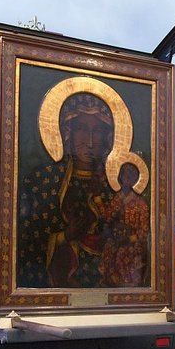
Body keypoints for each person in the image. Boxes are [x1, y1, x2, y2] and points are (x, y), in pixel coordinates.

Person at [18, 92, 115, 288]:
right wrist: (63, 237)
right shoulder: (43, 180)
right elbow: (27, 240)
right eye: (81, 129)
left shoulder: (114, 184)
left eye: (97, 131)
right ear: (66, 131)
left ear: (107, 137)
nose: (89, 141)